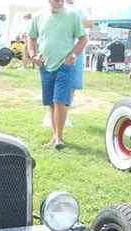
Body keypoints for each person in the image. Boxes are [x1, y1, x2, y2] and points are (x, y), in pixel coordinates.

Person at [27, 0, 87, 149]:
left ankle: (59, 137)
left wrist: (70, 58)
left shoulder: (72, 15)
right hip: (45, 66)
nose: (58, 1)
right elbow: (31, 38)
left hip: (64, 66)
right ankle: (55, 136)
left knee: (60, 101)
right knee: (51, 103)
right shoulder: (39, 15)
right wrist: (33, 56)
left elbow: (83, 39)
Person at [43, 0, 93, 127]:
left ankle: (64, 115)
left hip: (77, 49)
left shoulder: (79, 8)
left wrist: (72, 22)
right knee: (53, 84)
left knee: (72, 85)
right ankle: (50, 115)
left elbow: (90, 22)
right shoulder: (57, 6)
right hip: (59, 50)